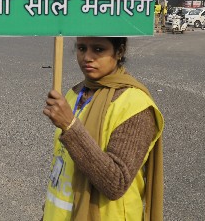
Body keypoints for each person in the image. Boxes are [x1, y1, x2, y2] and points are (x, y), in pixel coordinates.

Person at [42, 37, 164, 220]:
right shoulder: (73, 93)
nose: (87, 57)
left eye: (98, 49)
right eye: (82, 48)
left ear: (119, 51)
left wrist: (70, 126)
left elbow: (116, 183)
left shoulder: (135, 105)